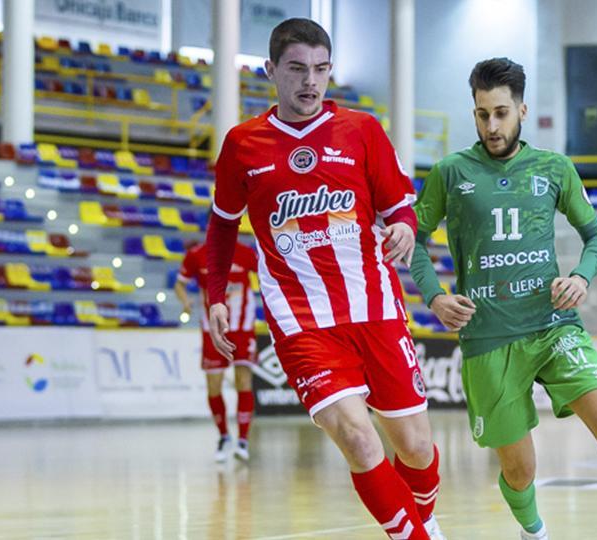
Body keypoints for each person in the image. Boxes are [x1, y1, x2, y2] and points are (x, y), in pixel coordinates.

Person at [205, 18, 445, 540]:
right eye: (296, 69)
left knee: (418, 449)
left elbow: (400, 207)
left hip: (376, 309)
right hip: (302, 323)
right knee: (359, 441)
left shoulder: (363, 131)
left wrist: (404, 229)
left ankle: (420, 519)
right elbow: (222, 225)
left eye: (320, 69)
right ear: (270, 71)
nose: (310, 81)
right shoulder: (242, 144)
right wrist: (216, 293)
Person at [411, 57, 597, 539]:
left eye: (502, 112)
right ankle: (534, 531)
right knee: (520, 470)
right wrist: (436, 297)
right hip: (488, 340)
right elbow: (413, 242)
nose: (492, 124)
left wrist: (582, 278)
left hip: (553, 326)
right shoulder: (449, 173)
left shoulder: (554, 168)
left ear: (523, 110)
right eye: (483, 114)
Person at [175, 240, 259, 462]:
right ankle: (223, 436)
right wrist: (186, 303)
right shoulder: (196, 255)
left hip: (243, 327)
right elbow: (180, 284)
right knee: (214, 385)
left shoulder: (245, 253)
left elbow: (266, 275)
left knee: (243, 381)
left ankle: (243, 440)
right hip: (212, 330)